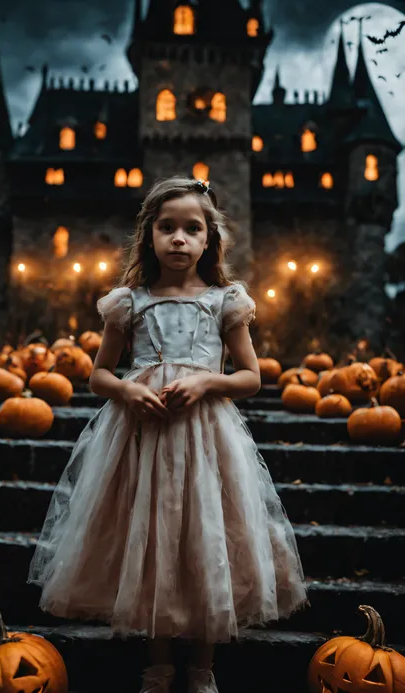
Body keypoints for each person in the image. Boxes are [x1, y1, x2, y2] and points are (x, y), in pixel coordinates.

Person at [28, 176, 309, 693]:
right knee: (150, 538)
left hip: (206, 439)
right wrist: (128, 392)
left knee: (207, 537)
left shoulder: (226, 302)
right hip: (141, 438)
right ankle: (157, 667)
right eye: (167, 228)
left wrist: (206, 381)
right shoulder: (127, 303)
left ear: (210, 241)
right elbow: (98, 374)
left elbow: (251, 377)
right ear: (149, 236)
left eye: (192, 229)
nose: (179, 239)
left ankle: (202, 667)